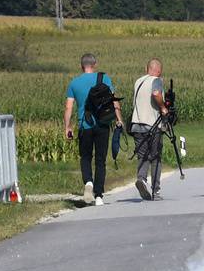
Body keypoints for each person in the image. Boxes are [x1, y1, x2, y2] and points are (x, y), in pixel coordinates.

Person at [63, 53, 122, 205]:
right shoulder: (105, 79)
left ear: (81, 66)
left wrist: (67, 127)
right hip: (102, 124)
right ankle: (99, 196)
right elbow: (114, 101)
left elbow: (68, 107)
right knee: (100, 160)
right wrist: (119, 119)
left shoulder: (74, 83)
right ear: (94, 64)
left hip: (85, 125)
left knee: (86, 157)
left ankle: (88, 182)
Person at [129, 57, 172, 200]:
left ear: (147, 69)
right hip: (152, 125)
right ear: (158, 71)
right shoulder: (157, 81)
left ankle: (141, 179)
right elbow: (155, 94)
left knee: (143, 156)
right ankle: (156, 190)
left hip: (136, 125)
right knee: (155, 157)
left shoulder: (138, 81)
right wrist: (162, 107)